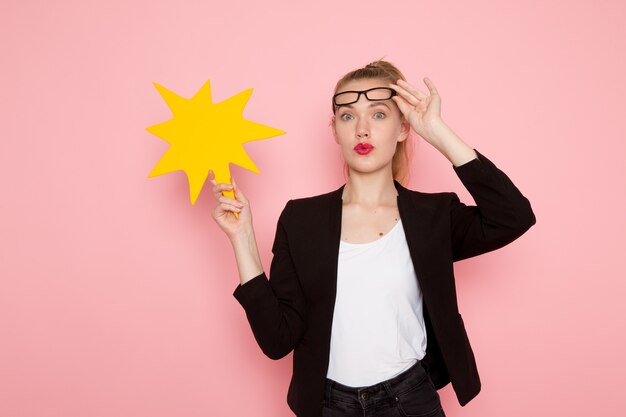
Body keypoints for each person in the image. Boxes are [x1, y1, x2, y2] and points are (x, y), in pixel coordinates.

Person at [209, 60, 536, 417]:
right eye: (348, 117)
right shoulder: (301, 219)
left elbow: (513, 216)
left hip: (410, 401)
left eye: (379, 115)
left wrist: (437, 131)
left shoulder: (433, 216)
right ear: (335, 130)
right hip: (327, 405)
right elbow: (277, 340)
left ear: (403, 127)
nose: (362, 129)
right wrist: (242, 238)